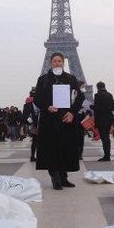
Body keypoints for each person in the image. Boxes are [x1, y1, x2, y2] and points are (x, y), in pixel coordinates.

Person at [34, 52, 85, 190]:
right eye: (55, 61)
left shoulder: (71, 78)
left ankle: (64, 177)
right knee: (52, 148)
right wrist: (47, 107)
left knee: (65, 147)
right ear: (51, 63)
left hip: (65, 118)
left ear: (64, 62)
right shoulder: (43, 79)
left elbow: (80, 97)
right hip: (49, 119)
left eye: (59, 61)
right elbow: (37, 98)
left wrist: (72, 112)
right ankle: (55, 177)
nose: (57, 63)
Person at [93, 81, 114, 161]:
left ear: (97, 87)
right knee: (107, 137)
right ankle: (108, 154)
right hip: (108, 119)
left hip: (101, 120)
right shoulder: (110, 95)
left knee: (103, 138)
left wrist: (92, 107)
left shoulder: (97, 95)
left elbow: (97, 108)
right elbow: (112, 107)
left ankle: (106, 155)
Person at [23, 88, 39, 162]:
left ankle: (34, 156)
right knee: (36, 141)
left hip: (37, 124)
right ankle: (33, 156)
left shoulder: (39, 102)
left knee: (36, 141)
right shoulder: (28, 104)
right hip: (35, 124)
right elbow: (25, 116)